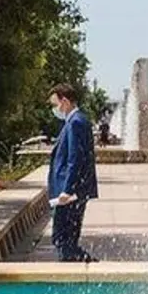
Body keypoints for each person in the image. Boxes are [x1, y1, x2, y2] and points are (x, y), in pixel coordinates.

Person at [47, 84, 99, 262]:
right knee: (66, 237)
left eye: (55, 104)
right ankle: (77, 261)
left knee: (62, 237)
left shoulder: (75, 122)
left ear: (65, 101)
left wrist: (67, 190)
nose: (55, 109)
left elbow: (75, 159)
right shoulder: (75, 121)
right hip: (74, 191)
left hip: (70, 193)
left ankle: (73, 267)